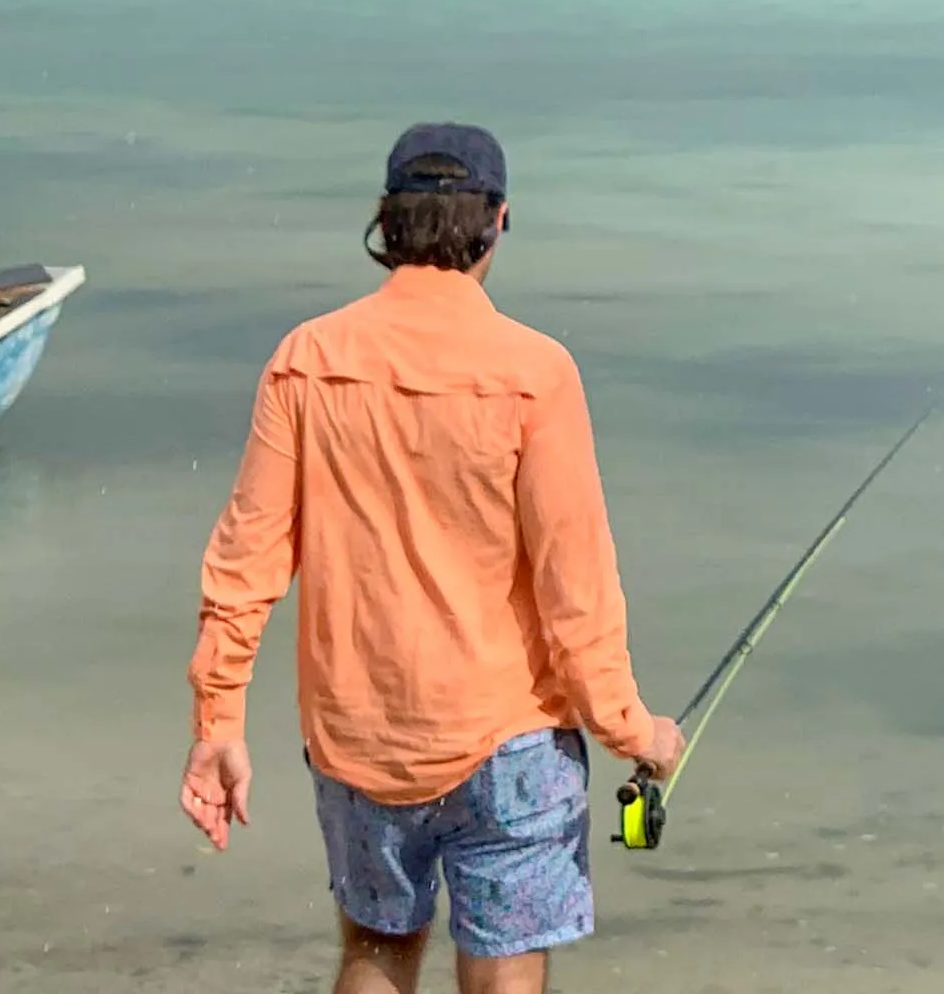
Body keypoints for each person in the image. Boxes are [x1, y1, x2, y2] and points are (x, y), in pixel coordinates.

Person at [178, 123, 684, 994]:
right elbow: (578, 592)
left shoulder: (306, 361)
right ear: (497, 220)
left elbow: (245, 559)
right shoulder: (536, 372)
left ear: (386, 219)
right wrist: (634, 729)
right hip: (510, 739)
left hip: (355, 735)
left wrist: (217, 722)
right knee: (504, 976)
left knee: (376, 954)